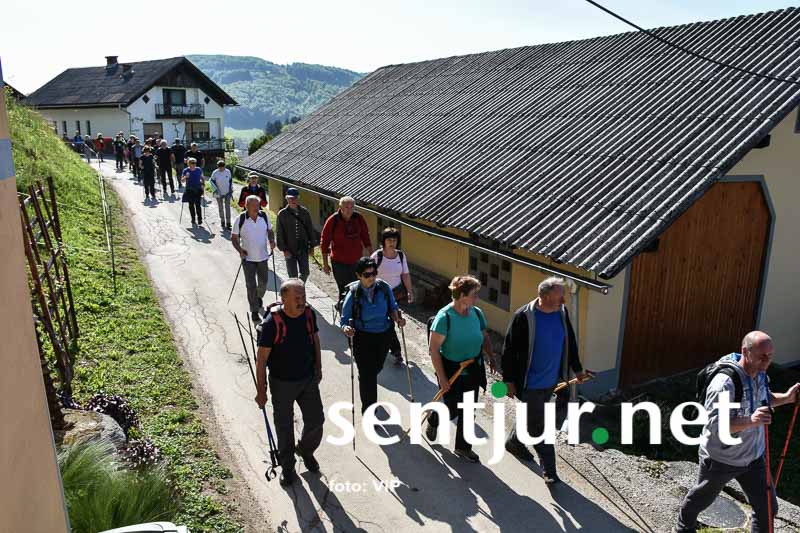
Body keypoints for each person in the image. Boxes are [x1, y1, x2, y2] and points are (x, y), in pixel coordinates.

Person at [675, 331, 800, 533]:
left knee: (767, 508)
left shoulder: (760, 374)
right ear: (745, 351)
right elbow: (717, 426)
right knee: (701, 499)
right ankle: (683, 527)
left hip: (754, 458)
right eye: (762, 356)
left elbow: (765, 398)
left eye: (770, 356)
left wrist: (787, 398)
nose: (767, 361)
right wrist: (752, 420)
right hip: (721, 458)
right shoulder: (724, 383)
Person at [501, 277, 588, 484]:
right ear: (546, 296)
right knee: (539, 427)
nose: (564, 300)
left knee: (533, 416)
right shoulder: (524, 316)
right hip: (529, 383)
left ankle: (514, 442)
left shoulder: (561, 313)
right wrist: (508, 381)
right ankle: (549, 470)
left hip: (551, 381)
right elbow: (509, 350)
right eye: (560, 296)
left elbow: (570, 341)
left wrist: (577, 369)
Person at [255, 279, 324, 487]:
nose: (302, 301)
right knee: (284, 427)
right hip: (281, 383)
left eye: (303, 296)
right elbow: (262, 359)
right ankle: (287, 467)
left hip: (307, 378)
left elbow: (315, 340)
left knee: (316, 420)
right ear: (284, 298)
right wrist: (261, 390)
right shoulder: (272, 323)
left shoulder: (309, 314)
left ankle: (305, 450)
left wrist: (319, 368)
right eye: (297, 298)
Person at [426, 275, 496, 463]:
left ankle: (463, 448)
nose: (477, 298)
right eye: (474, 294)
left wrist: (491, 356)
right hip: (451, 369)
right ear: (462, 295)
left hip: (473, 368)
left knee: (469, 409)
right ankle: (435, 418)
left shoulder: (476, 313)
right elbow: (434, 350)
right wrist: (442, 378)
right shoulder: (445, 317)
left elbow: (484, 336)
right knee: (452, 408)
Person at [340, 257, 405, 416]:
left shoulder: (383, 287)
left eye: (374, 273)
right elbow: (345, 318)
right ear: (358, 275)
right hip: (362, 337)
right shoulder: (354, 292)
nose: (371, 277)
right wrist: (346, 328)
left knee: (375, 369)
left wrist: (398, 319)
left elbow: (392, 307)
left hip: (383, 335)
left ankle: (366, 382)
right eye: (367, 275)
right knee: (368, 375)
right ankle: (369, 411)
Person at [371, 227, 414, 365]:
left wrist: (409, 291)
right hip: (379, 295)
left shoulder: (401, 256)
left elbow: (405, 274)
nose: (392, 243)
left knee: (391, 321)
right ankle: (396, 351)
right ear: (383, 241)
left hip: (396, 294)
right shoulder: (377, 256)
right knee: (388, 322)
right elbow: (369, 275)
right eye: (389, 240)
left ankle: (392, 349)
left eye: (394, 240)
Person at [320, 196, 373, 309]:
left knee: (356, 286)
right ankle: (344, 309)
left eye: (351, 207)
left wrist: (371, 255)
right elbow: (324, 242)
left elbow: (365, 236)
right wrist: (325, 264)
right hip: (338, 261)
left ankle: (350, 308)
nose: (349, 210)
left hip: (356, 261)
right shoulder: (333, 220)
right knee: (343, 287)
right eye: (346, 207)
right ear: (340, 207)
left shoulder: (358, 218)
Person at [231, 195, 276, 323]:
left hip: (263, 257)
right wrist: (240, 250)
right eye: (254, 206)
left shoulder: (264, 216)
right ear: (247, 206)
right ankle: (254, 310)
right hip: (248, 258)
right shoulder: (240, 219)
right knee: (251, 285)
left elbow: (270, 231)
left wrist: (271, 240)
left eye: (258, 205)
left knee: (263, 283)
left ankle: (258, 297)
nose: (257, 208)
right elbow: (233, 238)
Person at [276, 187, 315, 282]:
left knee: (305, 272)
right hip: (289, 248)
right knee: (292, 275)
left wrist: (312, 246)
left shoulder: (304, 212)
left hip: (303, 247)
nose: (293, 200)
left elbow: (310, 229)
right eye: (291, 198)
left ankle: (299, 287)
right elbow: (279, 233)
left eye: (295, 198)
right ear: (287, 199)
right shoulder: (282, 214)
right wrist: (284, 249)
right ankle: (294, 289)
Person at [181, 157, 205, 225]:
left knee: (198, 205)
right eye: (192, 163)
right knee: (191, 205)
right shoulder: (186, 170)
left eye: (195, 163)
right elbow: (182, 180)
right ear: (189, 164)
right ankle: (193, 218)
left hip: (198, 189)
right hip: (189, 190)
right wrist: (186, 177)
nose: (194, 164)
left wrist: (203, 184)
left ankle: (200, 219)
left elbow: (202, 177)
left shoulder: (199, 169)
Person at [210, 160, 233, 230]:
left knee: (227, 207)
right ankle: (222, 221)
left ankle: (228, 223)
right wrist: (215, 190)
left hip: (227, 192)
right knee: (220, 207)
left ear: (224, 166)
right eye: (220, 167)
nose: (221, 168)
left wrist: (231, 189)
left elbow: (230, 180)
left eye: (222, 167)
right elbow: (211, 181)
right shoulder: (215, 173)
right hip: (218, 193)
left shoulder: (228, 171)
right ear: (218, 167)